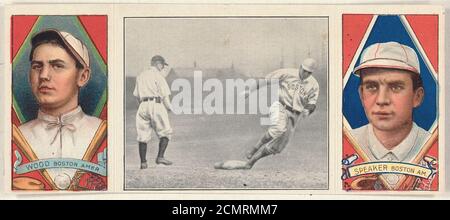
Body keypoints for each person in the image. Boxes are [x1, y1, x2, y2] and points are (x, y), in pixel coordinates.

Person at [18, 29, 104, 190]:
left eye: (57, 66)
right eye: (37, 66)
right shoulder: (15, 136)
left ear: (83, 76)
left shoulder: (104, 132)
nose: (43, 75)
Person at [349, 41, 431, 189]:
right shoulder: (346, 143)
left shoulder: (435, 146)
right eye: (371, 87)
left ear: (417, 97)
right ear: (362, 95)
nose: (382, 100)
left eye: (395, 87)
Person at [216, 58, 320, 170]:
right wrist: (249, 90)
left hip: (295, 115)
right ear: (300, 67)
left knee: (279, 147)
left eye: (309, 72)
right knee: (279, 128)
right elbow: (266, 80)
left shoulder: (313, 84)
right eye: (304, 70)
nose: (306, 73)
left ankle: (250, 163)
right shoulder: (287, 73)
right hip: (281, 107)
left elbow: (312, 102)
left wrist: (308, 110)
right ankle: (255, 148)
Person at [134, 55, 173, 169]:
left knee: (142, 135)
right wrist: (169, 107)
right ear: (158, 64)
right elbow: (165, 95)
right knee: (166, 132)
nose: (163, 68)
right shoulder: (158, 75)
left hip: (142, 105)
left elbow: (136, 95)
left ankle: (143, 163)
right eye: (162, 65)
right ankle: (160, 157)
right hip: (156, 104)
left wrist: (142, 106)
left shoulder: (140, 76)